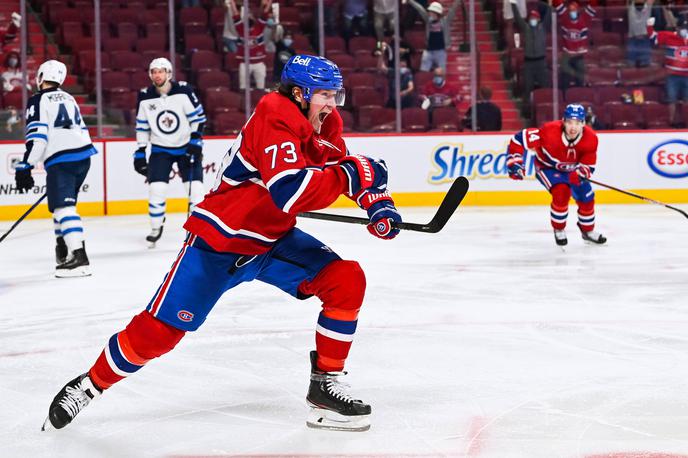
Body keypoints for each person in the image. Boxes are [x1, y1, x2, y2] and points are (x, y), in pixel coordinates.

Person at [42, 54, 403, 433]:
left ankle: (325, 387)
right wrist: (353, 175)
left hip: (272, 240)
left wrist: (376, 202)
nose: (332, 104)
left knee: (346, 279)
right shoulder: (274, 114)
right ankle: (90, 385)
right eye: (325, 95)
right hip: (220, 241)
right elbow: (292, 192)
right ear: (299, 93)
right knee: (157, 335)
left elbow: (338, 166)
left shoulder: (324, 121)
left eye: (336, 95)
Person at [14, 60, 98, 276]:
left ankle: (80, 259)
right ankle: (64, 251)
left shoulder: (37, 100)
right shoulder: (70, 98)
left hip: (62, 159)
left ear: (41, 77)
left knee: (63, 209)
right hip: (83, 157)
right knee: (62, 206)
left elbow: (38, 138)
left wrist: (26, 165)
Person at [506, 103, 606, 246]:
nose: (573, 127)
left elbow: (588, 165)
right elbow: (519, 139)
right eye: (570, 122)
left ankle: (587, 231)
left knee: (587, 196)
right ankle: (559, 229)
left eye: (578, 123)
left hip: (572, 171)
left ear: (583, 123)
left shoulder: (591, 139)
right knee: (561, 192)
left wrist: (580, 173)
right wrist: (514, 162)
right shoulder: (549, 131)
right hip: (547, 167)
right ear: (563, 121)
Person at [133, 57, 205, 247]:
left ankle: (196, 231)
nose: (157, 75)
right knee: (156, 189)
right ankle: (156, 227)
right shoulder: (145, 95)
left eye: (161, 71)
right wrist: (140, 150)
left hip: (186, 147)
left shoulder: (184, 90)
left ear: (169, 73)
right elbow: (142, 126)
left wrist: (196, 142)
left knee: (195, 192)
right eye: (154, 71)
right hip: (160, 149)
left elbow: (199, 118)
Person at [648, 15, 688, 125]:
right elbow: (653, 38)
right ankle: (672, 123)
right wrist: (649, 26)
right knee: (671, 100)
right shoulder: (668, 36)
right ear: (678, 28)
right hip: (672, 75)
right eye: (683, 28)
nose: (685, 31)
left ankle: (685, 123)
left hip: (687, 76)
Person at [510, 0, 551, 107]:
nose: (533, 20)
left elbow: (549, 14)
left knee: (544, 86)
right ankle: (527, 109)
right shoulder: (525, 28)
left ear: (538, 19)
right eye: (531, 18)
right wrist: (513, 4)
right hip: (529, 62)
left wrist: (549, 4)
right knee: (527, 87)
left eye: (535, 18)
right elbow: (517, 17)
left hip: (541, 62)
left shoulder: (543, 27)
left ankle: (545, 106)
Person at [405, 0, 462, 72]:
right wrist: (410, 1)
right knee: (424, 71)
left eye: (432, 12)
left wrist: (458, 1)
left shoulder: (445, 21)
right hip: (429, 51)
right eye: (430, 12)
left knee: (441, 72)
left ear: (437, 13)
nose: (430, 13)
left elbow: (452, 10)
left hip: (440, 52)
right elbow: (420, 9)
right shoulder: (428, 20)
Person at [553, 0, 596, 88]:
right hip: (567, 55)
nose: (572, 12)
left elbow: (593, 4)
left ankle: (579, 96)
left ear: (578, 10)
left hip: (579, 55)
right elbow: (557, 2)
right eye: (571, 10)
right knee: (564, 79)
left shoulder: (585, 18)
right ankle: (564, 99)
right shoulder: (564, 17)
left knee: (580, 79)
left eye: (574, 10)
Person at [232, 0, 271, 90]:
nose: (249, 17)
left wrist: (269, 2)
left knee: (261, 88)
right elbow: (235, 14)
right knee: (243, 89)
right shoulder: (240, 28)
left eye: (250, 16)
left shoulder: (259, 27)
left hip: (259, 63)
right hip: (245, 64)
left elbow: (265, 13)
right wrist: (232, 3)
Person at [627, 0, 655, 67]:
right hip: (633, 39)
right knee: (631, 65)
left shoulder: (647, 6)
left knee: (645, 65)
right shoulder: (631, 6)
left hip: (644, 39)